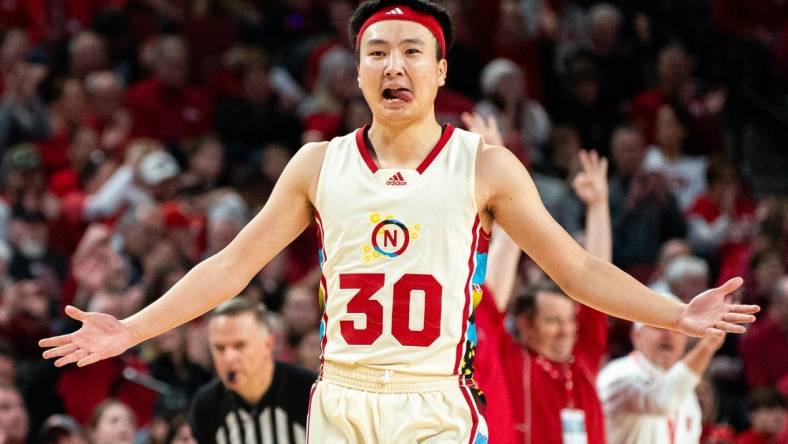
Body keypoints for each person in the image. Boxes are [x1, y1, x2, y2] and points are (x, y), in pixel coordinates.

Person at [41, 1, 758, 441]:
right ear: (356, 73)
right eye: (377, 53)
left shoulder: (484, 166)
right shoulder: (317, 163)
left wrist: (672, 313)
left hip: (434, 404)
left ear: (441, 72)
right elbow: (230, 265)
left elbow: (575, 271)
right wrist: (132, 328)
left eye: (412, 51)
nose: (394, 65)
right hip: (343, 400)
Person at [465, 110, 611, 444]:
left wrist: (599, 206)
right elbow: (504, 263)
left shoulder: (583, 361)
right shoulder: (508, 358)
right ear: (525, 324)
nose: (566, 330)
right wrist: (501, 177)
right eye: (553, 321)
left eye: (569, 321)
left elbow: (599, 284)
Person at [188, 297, 316, 444]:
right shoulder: (207, 405)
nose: (229, 358)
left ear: (268, 345)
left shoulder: (308, 392)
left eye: (240, 345)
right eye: (219, 348)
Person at [596, 306, 726, 444]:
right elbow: (662, 400)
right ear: (636, 336)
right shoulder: (618, 375)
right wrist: (707, 346)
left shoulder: (687, 392)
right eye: (658, 327)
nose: (668, 335)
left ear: (685, 340)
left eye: (677, 330)